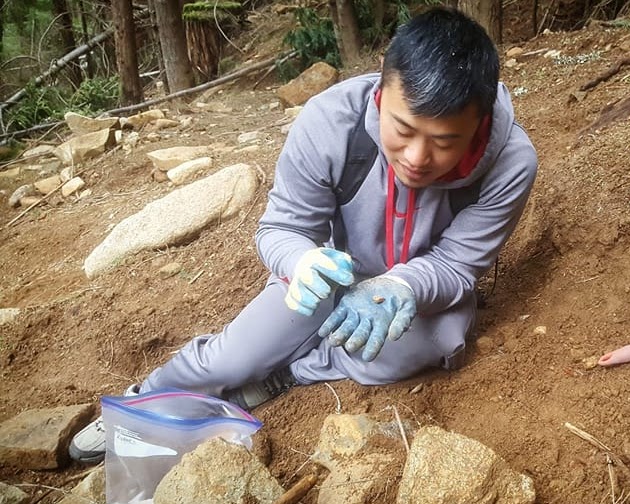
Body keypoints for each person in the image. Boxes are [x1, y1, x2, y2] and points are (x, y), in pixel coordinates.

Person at [68, 7, 538, 463]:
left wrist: (401, 285)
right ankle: (143, 401)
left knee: (425, 347)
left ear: (478, 122)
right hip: (326, 273)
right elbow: (282, 228)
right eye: (403, 129)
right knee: (234, 358)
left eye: (444, 142)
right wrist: (300, 261)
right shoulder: (330, 122)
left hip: (413, 294)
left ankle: (288, 375)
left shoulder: (510, 163)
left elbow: (458, 265)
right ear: (381, 88)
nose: (417, 157)